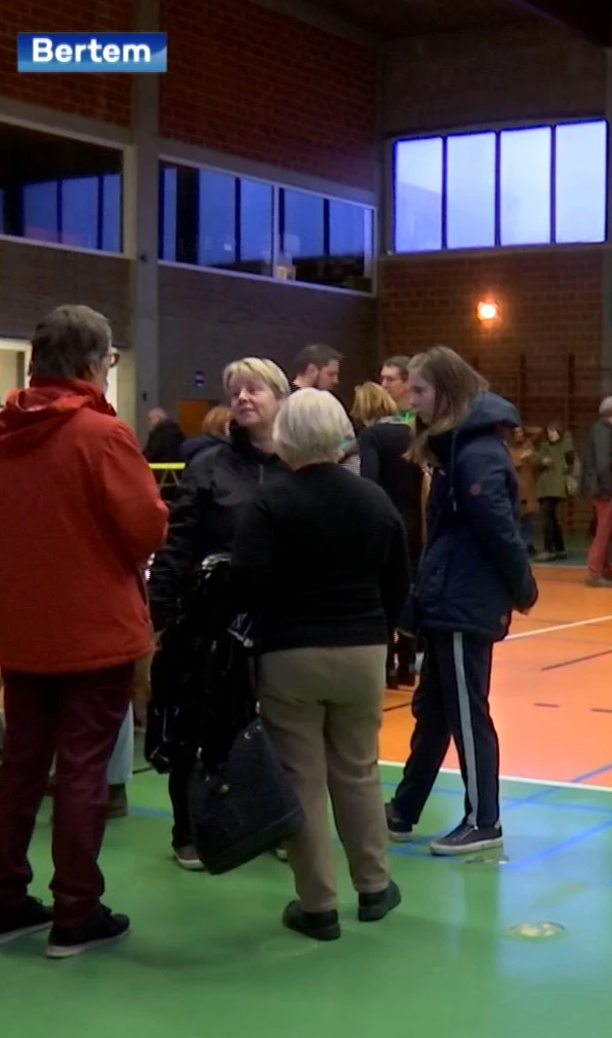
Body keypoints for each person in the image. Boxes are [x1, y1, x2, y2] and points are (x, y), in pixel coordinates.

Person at [0, 305, 167, 960]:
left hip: (24, 625)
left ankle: (0, 900)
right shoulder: (100, 436)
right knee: (82, 767)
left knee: (21, 763)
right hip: (93, 628)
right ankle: (76, 910)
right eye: (110, 362)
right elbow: (146, 530)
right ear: (92, 364)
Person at [231, 389, 407, 941]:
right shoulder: (374, 500)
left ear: (285, 438)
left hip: (290, 653)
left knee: (302, 780)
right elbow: (399, 579)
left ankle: (318, 905)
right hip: (363, 650)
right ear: (341, 436)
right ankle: (375, 887)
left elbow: (248, 583)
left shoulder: (268, 503)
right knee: (359, 770)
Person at [387, 348, 537, 856]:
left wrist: (522, 587)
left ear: (447, 393)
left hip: (464, 603)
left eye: (421, 391)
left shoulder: (475, 455)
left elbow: (499, 531)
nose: (413, 402)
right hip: (447, 596)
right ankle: (405, 809)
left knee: (467, 711)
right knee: (433, 708)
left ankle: (483, 819)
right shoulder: (455, 450)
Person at [148, 357, 291, 869]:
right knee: (198, 726)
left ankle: (276, 821)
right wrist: (160, 609)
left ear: (279, 397)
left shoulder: (299, 465)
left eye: (254, 389)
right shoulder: (207, 465)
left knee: (279, 726)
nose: (243, 398)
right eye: (235, 391)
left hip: (280, 619)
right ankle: (188, 829)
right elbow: (178, 541)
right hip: (212, 620)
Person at [356, 380, 424, 690]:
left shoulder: (371, 436)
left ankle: (384, 667)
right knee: (406, 592)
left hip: (383, 522)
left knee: (381, 596)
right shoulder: (411, 434)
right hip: (412, 524)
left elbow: (369, 479)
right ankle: (408, 664)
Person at [581, 397, 612, 588]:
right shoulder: (603, 432)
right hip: (605, 490)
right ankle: (594, 572)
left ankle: (605, 569)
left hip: (605, 488)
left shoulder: (603, 430)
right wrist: (610, 490)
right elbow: (604, 463)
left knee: (609, 532)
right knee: (603, 532)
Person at [533, 423, 574, 561]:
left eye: (553, 430)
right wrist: (541, 461)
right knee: (550, 517)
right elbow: (536, 459)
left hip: (556, 486)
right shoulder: (544, 446)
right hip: (544, 485)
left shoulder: (564, 445)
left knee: (546, 516)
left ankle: (548, 549)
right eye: (548, 430)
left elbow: (569, 451)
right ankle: (560, 548)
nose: (550, 433)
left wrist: (565, 434)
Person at [508, 425, 540, 556]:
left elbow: (539, 431)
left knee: (529, 519)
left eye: (521, 432)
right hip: (515, 489)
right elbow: (512, 464)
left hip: (528, 488)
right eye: (516, 432)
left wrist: (525, 428)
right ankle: (517, 545)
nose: (519, 435)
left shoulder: (528, 444)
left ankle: (529, 544)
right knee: (516, 519)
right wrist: (522, 458)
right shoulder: (509, 448)